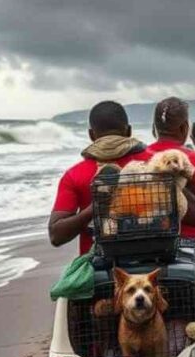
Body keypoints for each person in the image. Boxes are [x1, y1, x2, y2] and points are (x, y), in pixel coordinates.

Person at [48, 101, 151, 254]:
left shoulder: (74, 175)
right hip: (153, 261)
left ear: (91, 135)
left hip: (99, 266)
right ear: (129, 131)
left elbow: (56, 235)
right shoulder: (157, 164)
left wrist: (93, 209)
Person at [147, 97, 195, 240]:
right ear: (184, 128)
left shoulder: (140, 159)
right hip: (194, 245)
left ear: (155, 128)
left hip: (150, 243)